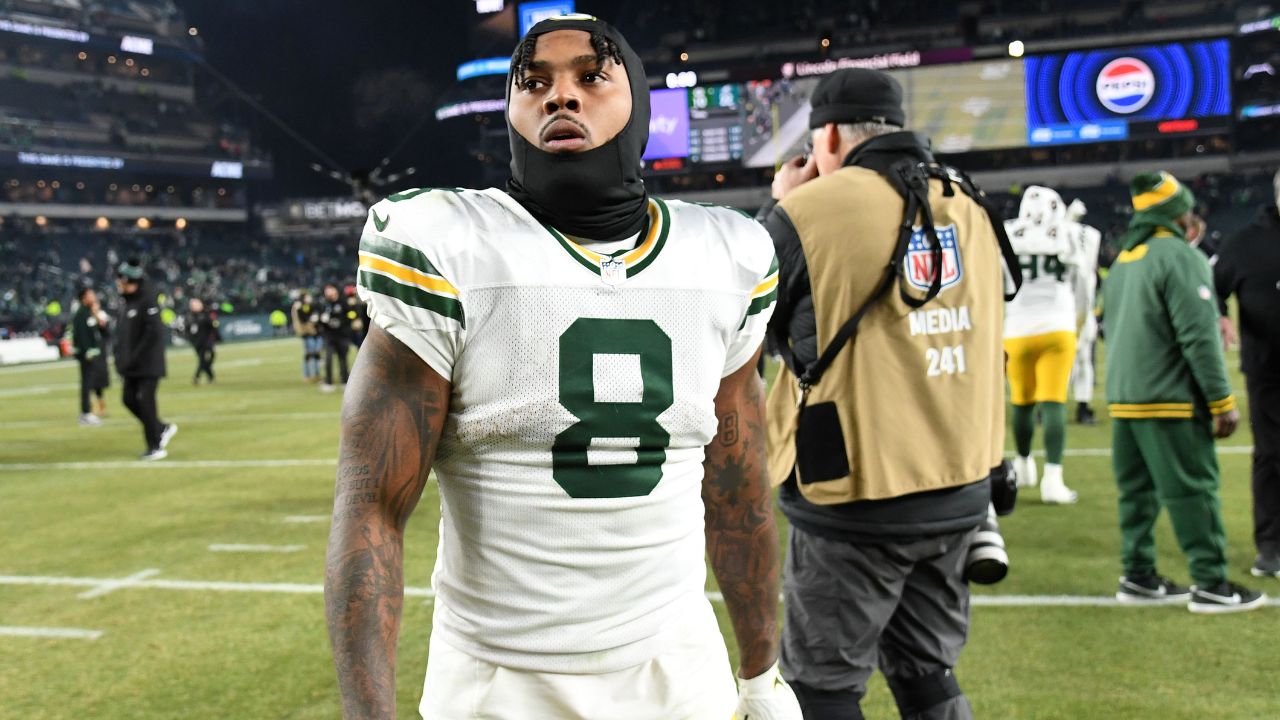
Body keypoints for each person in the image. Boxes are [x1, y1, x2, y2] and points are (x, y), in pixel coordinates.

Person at [324, 15, 800, 720]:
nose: (560, 97)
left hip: (679, 676)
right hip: (500, 688)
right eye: (534, 82)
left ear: (636, 96)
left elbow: (736, 484)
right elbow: (372, 507)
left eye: (590, 76)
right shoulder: (450, 245)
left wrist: (761, 674)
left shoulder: (725, 254)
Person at [762, 68, 1015, 719]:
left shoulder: (808, 210)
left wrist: (780, 205)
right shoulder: (969, 201)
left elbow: (753, 326)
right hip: (960, 487)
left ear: (832, 136)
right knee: (928, 672)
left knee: (822, 685)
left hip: (856, 491)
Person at [1103, 171, 1264, 613]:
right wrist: (1222, 401)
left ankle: (1137, 575)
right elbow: (1199, 338)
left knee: (1136, 495)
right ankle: (1211, 580)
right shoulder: (1179, 256)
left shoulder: (1124, 258)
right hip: (1169, 397)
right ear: (1177, 215)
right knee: (1193, 489)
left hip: (1124, 397)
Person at [1002, 186, 1092, 504]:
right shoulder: (1069, 233)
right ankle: (1052, 480)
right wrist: (1081, 321)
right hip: (1057, 326)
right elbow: (1083, 283)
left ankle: (1024, 465)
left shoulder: (1008, 232)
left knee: (1022, 402)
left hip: (1016, 327)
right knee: (1053, 402)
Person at [1213, 169, 1280, 578]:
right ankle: (1271, 545)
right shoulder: (1245, 242)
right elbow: (1212, 288)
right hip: (1268, 368)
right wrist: (1220, 316)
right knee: (1272, 457)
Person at [113, 260, 177, 461]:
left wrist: (133, 357)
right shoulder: (127, 302)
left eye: (120, 280)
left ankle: (154, 446)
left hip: (148, 364)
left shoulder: (147, 299)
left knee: (147, 402)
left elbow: (152, 333)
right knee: (128, 399)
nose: (117, 284)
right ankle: (160, 427)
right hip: (131, 366)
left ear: (127, 280)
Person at [1066, 199, 1102, 425]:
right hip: (1077, 307)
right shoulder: (1090, 236)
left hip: (1060, 308)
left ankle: (1053, 406)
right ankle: (1081, 407)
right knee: (1081, 362)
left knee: (1071, 362)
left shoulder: (1055, 235)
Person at [70, 286, 110, 426]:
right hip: (87, 355)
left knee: (90, 382)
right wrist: (87, 351)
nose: (93, 296)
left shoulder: (90, 312)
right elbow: (80, 335)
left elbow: (104, 333)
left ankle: (88, 412)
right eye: (90, 294)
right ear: (84, 298)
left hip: (94, 353)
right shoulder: (81, 313)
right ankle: (86, 413)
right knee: (86, 383)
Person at [318, 283, 353, 392]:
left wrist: (345, 321)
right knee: (328, 358)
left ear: (335, 290)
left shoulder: (343, 302)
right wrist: (321, 320)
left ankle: (345, 381)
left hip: (342, 335)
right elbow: (319, 319)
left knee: (343, 359)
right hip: (329, 336)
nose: (328, 292)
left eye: (330, 289)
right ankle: (328, 382)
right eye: (327, 290)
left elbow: (352, 314)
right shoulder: (324, 304)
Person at [183, 298, 221, 384]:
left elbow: (213, 326)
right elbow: (187, 329)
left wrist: (217, 338)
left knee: (209, 356)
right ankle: (205, 376)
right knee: (202, 359)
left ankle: (199, 376)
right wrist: (190, 338)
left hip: (207, 340)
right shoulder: (189, 316)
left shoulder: (205, 314)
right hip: (197, 342)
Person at [291, 291, 322, 383]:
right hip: (307, 333)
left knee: (317, 353)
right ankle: (307, 375)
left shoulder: (313, 306)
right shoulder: (299, 308)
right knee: (309, 353)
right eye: (307, 297)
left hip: (317, 333)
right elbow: (300, 320)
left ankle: (317, 374)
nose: (309, 298)